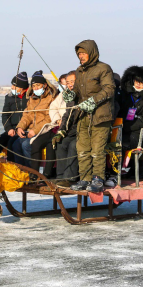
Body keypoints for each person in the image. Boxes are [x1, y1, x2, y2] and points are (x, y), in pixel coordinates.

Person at [63, 40, 116, 193]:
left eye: (84, 53)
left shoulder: (103, 68)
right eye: (79, 54)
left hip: (100, 115)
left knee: (97, 149)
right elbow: (79, 93)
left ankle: (98, 178)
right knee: (82, 149)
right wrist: (71, 95)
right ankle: (85, 178)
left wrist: (93, 101)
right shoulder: (79, 71)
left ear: (91, 52)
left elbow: (109, 89)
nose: (81, 56)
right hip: (83, 115)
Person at [13, 71, 58, 170]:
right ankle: (22, 171)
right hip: (31, 130)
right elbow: (27, 115)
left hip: (45, 130)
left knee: (26, 145)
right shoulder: (32, 98)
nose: (36, 88)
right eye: (33, 86)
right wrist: (20, 127)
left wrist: (35, 130)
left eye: (38, 85)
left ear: (45, 85)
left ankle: (32, 172)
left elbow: (49, 118)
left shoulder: (52, 98)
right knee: (16, 144)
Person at [29, 74, 68, 178]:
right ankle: (34, 174)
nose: (64, 86)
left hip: (66, 128)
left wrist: (63, 121)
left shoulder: (73, 95)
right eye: (63, 84)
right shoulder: (62, 95)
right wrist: (57, 119)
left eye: (66, 83)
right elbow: (53, 108)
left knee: (51, 145)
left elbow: (71, 112)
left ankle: (47, 174)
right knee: (36, 143)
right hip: (54, 126)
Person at [52, 71, 81, 187]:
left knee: (74, 145)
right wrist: (61, 130)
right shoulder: (70, 96)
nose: (69, 84)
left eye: (72, 82)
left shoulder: (84, 95)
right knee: (61, 143)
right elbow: (67, 115)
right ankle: (61, 176)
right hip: (72, 130)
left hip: (84, 131)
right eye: (68, 82)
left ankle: (70, 178)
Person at [0, 72, 29, 162]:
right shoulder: (9, 97)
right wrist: (9, 128)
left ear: (22, 87)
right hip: (12, 129)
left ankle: (14, 167)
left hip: (25, 129)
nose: (12, 88)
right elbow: (5, 115)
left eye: (15, 86)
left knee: (11, 144)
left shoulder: (31, 97)